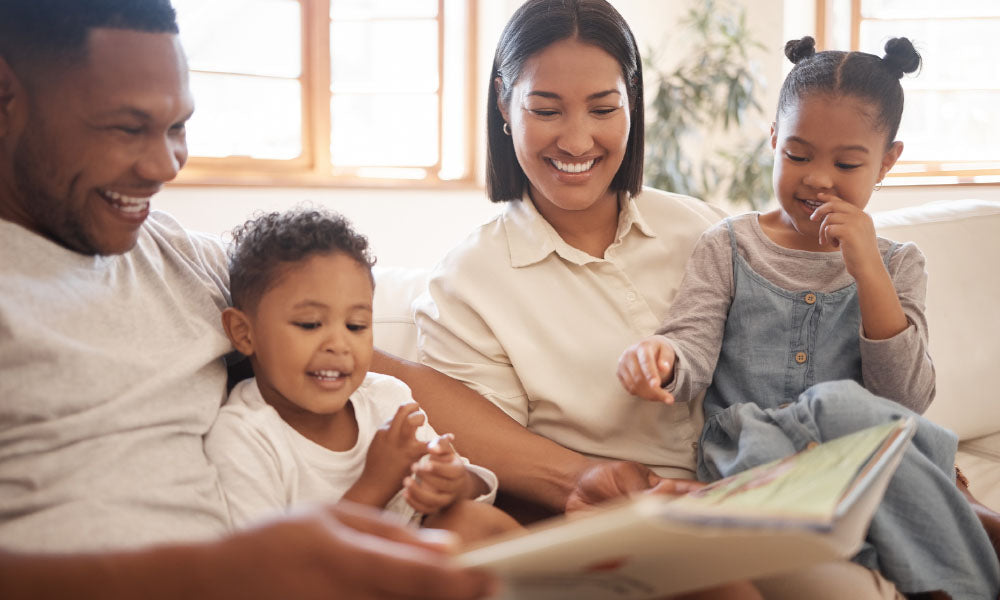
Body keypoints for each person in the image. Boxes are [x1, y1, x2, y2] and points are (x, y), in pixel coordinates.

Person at [413, 0, 911, 597]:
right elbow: (489, 477)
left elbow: (806, 368)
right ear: (503, 104)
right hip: (626, 527)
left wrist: (904, 463)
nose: (578, 139)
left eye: (604, 108)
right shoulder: (468, 283)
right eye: (546, 110)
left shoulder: (703, 228)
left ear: (632, 104)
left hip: (758, 493)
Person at [0, 1, 497, 598]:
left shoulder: (183, 258)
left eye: (177, 127)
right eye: (127, 128)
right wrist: (218, 573)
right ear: (8, 99)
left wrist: (572, 477)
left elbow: (358, 365)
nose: (165, 167)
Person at [616, 36, 1000, 600]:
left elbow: (906, 399)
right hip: (755, 448)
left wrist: (868, 272)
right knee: (825, 427)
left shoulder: (899, 263)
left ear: (887, 161)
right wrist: (663, 358)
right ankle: (935, 525)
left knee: (839, 407)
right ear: (773, 140)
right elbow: (692, 344)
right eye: (797, 155)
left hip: (858, 444)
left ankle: (951, 571)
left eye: (846, 163)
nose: (818, 178)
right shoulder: (728, 245)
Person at [205, 208, 518, 543]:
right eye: (310, 324)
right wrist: (376, 484)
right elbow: (274, 568)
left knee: (469, 518)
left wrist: (452, 482)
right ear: (243, 332)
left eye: (356, 326)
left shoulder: (388, 399)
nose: (339, 345)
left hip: (419, 563)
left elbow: (470, 484)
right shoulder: (243, 437)